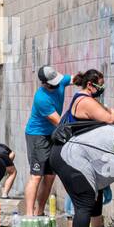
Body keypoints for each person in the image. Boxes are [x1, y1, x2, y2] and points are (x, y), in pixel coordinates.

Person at [48, 68, 114, 227]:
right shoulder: (84, 100)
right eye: (100, 84)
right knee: (83, 201)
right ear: (91, 85)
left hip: (76, 154)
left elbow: (107, 113)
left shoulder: (86, 99)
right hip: (72, 155)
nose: (102, 88)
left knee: (94, 193)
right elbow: (109, 118)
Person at [24, 65, 69, 215]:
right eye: (52, 84)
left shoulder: (61, 81)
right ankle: (30, 215)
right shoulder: (41, 98)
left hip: (52, 135)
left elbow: (78, 79)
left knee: (50, 176)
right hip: (37, 135)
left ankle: (40, 212)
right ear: (44, 83)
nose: (56, 86)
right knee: (37, 175)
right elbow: (59, 122)